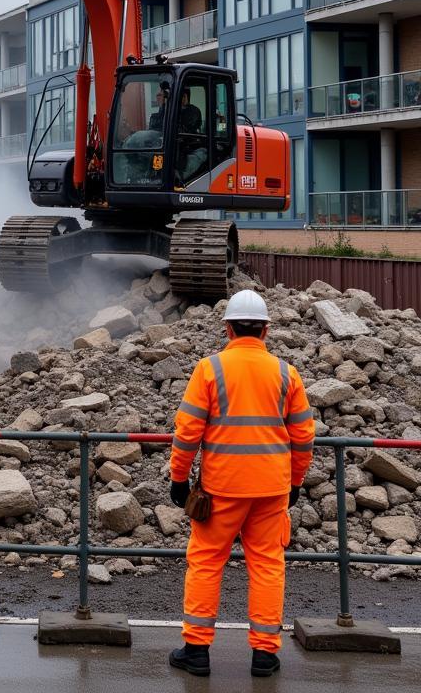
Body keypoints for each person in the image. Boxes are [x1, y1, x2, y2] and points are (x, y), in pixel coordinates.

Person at [168, 289, 315, 678]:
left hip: (222, 489)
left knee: (206, 562)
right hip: (271, 489)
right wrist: (295, 480)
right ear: (266, 330)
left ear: (228, 328)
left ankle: (196, 652)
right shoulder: (286, 373)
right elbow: (304, 437)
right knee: (268, 566)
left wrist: (179, 479)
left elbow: (187, 433)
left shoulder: (209, 369)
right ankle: (264, 655)